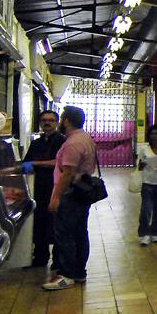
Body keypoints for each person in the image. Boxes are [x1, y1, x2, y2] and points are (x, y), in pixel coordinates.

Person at [44, 105, 98, 291]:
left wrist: (56, 197)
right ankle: (79, 272)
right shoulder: (85, 139)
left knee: (66, 233)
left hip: (70, 195)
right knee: (80, 232)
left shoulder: (73, 143)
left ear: (66, 121)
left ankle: (67, 274)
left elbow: (67, 173)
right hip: (80, 194)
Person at [22, 109, 65, 274]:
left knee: (55, 224)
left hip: (54, 187)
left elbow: (60, 163)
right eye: (44, 120)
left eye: (51, 120)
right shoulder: (36, 143)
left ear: (57, 123)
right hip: (37, 188)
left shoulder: (61, 141)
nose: (47, 123)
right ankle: (40, 257)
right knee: (39, 223)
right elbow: (27, 161)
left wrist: (37, 164)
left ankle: (58, 260)